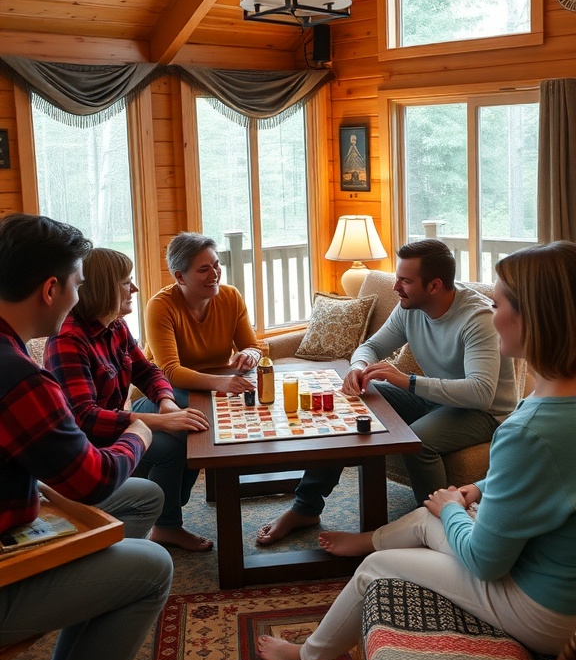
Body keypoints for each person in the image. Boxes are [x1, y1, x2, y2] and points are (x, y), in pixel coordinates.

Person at [257, 241, 576, 660]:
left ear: (532, 319)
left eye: (500, 304)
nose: (493, 312)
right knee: (417, 500)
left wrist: (451, 508)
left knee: (378, 567)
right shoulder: (551, 408)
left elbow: (486, 562)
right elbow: (554, 472)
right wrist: (479, 488)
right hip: (556, 587)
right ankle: (321, 512)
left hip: (543, 611)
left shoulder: (524, 427)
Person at [0, 213, 174, 660]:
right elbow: (91, 481)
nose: (77, 296)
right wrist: (141, 431)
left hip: (21, 521)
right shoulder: (18, 375)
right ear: (51, 288)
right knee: (150, 568)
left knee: (141, 499)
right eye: (75, 283)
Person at [256, 239, 517, 545]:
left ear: (434, 285)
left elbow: (480, 392)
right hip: (435, 398)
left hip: (483, 412)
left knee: (418, 441)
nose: (395, 287)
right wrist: (358, 367)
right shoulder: (410, 307)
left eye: (405, 281)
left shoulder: (478, 319)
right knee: (352, 399)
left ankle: (434, 527)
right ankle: (305, 507)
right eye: (396, 278)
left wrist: (407, 381)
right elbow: (371, 347)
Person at [44, 248, 213, 554]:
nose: (133, 288)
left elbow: (147, 371)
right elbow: (85, 417)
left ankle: (167, 516)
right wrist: (160, 421)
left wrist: (166, 401)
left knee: (186, 430)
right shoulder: (67, 340)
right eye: (126, 282)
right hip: (87, 449)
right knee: (171, 448)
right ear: (104, 289)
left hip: (116, 429)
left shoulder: (116, 325)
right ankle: (166, 524)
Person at [145, 231, 261, 395]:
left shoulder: (231, 296)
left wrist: (250, 355)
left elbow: (252, 347)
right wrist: (219, 383)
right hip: (171, 388)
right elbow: (170, 371)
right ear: (180, 277)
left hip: (221, 380)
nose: (214, 274)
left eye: (216, 265)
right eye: (204, 269)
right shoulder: (160, 306)